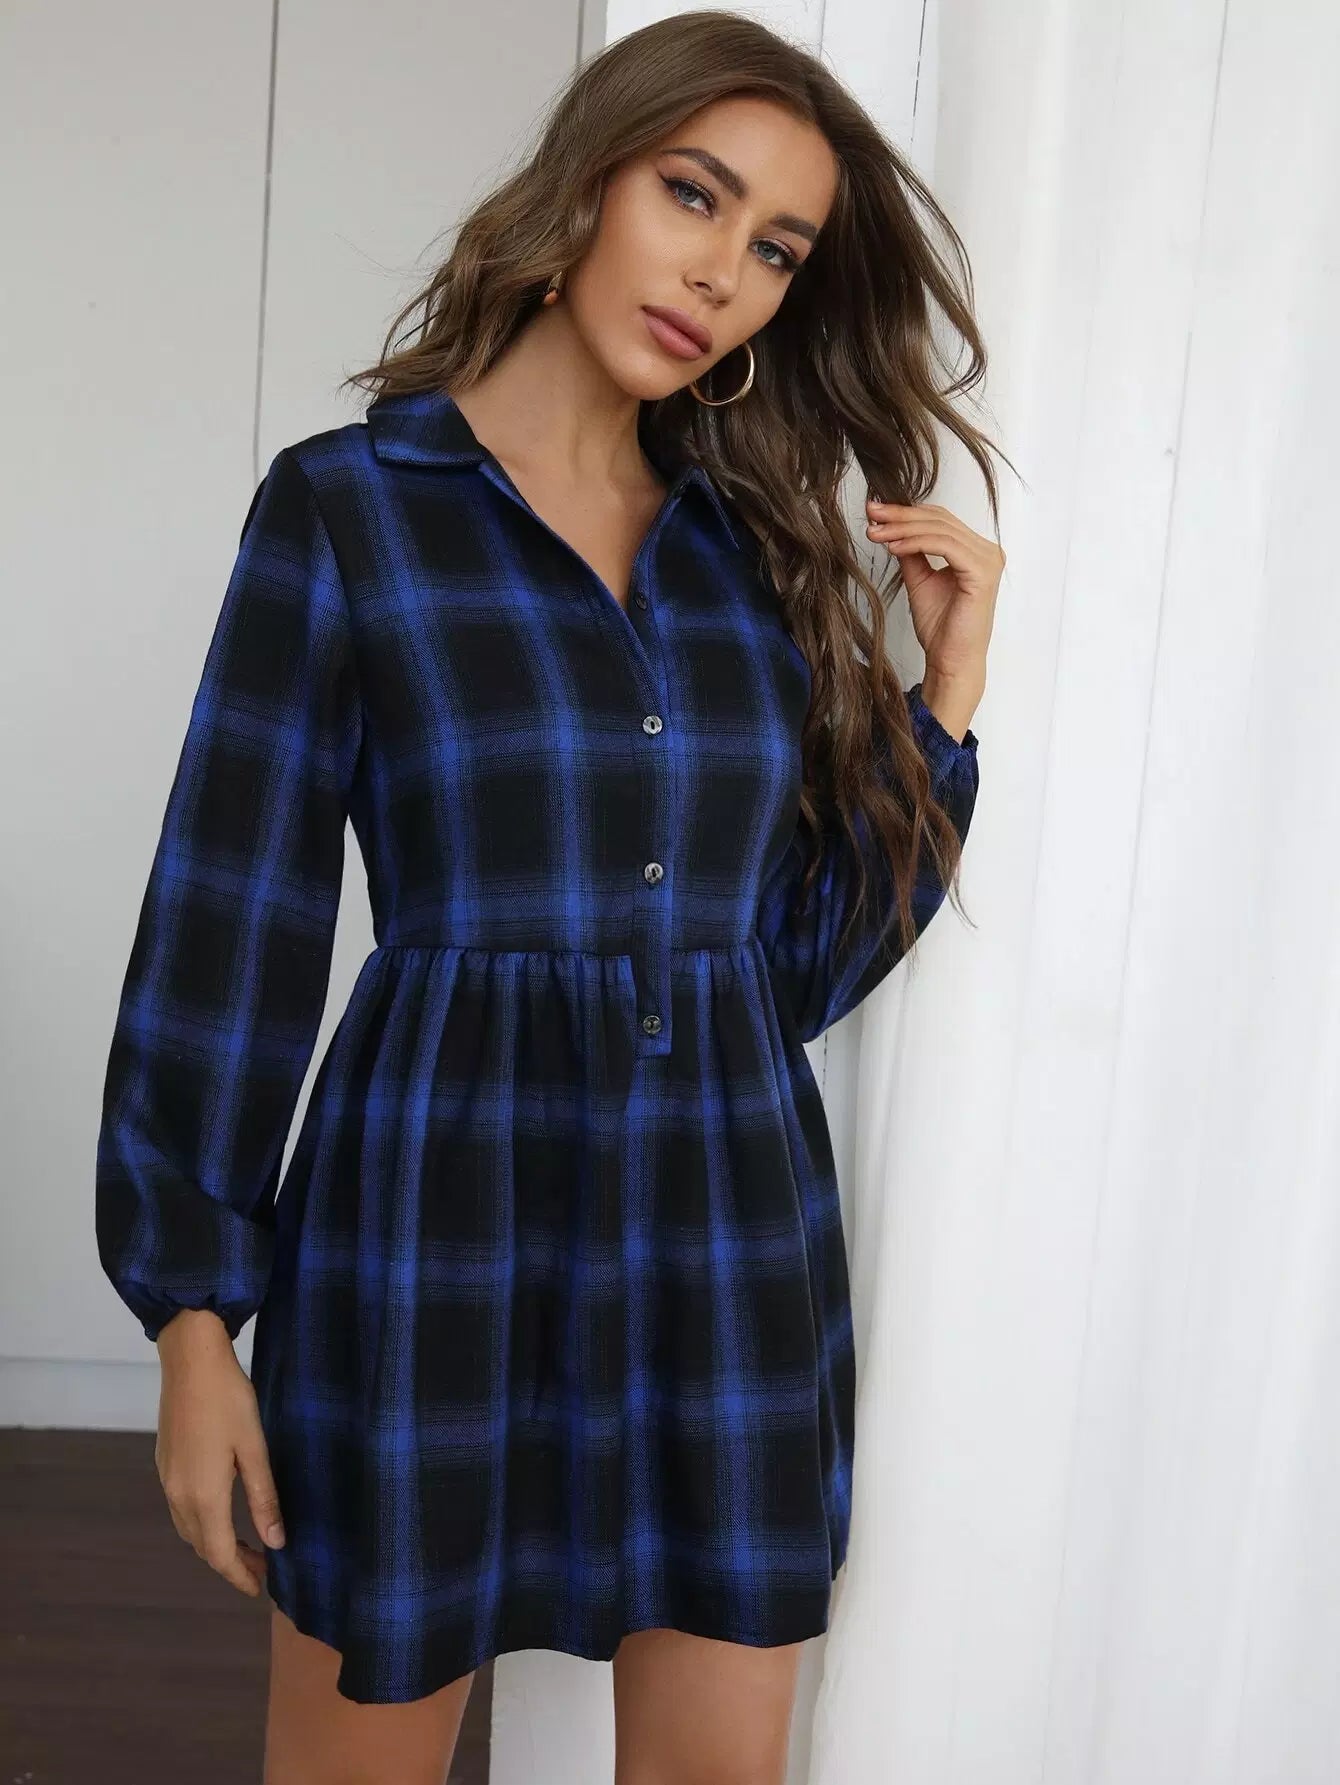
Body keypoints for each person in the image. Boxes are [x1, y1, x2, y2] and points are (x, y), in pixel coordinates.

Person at [94, 11, 1005, 1782]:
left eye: (776, 250)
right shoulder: (351, 512)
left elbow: (782, 974)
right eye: (694, 196)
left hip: (723, 1248)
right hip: (427, 1231)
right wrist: (194, 1320)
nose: (723, 276)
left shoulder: (751, 554)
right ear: (590, 178)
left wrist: (943, 708)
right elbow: (230, 917)